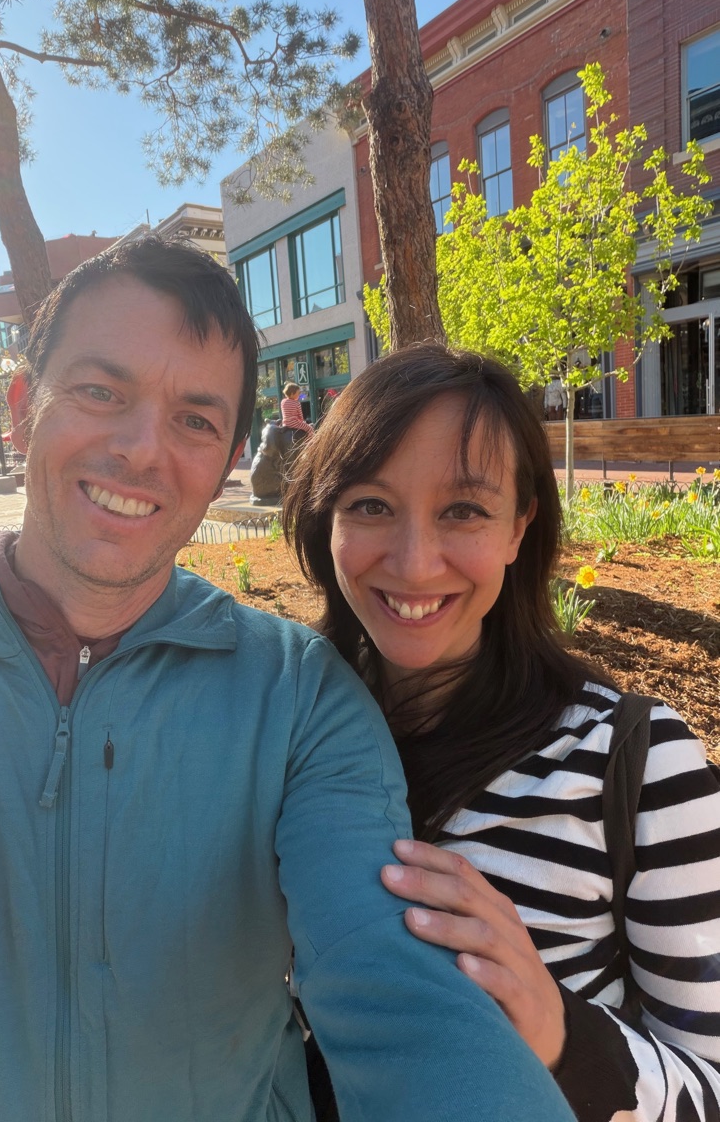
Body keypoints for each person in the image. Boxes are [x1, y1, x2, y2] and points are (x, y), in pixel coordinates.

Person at [0, 241, 575, 1122]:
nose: (143, 451)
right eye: (101, 392)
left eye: (195, 420)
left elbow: (386, 980)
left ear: (227, 462)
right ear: (24, 409)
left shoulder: (299, 699)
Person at [284, 341, 720, 1122]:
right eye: (372, 505)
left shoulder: (636, 764)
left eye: (464, 511)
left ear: (520, 527)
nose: (415, 563)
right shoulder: (282, 735)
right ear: (328, 519)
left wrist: (558, 1034)